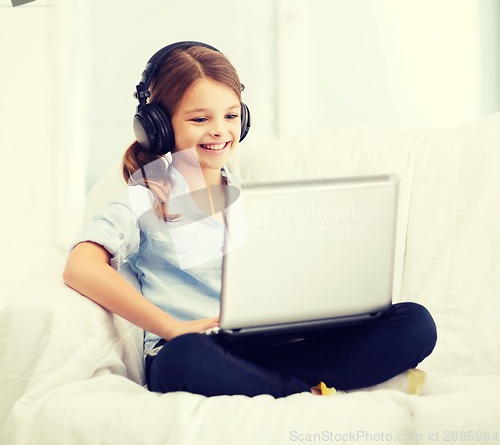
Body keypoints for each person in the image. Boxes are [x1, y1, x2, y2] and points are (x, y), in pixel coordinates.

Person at [63, 41, 437, 398]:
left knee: (415, 324)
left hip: (269, 343)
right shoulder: (144, 196)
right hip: (198, 348)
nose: (220, 130)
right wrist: (171, 328)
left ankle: (278, 383)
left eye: (230, 115)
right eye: (199, 118)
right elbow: (81, 266)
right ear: (157, 124)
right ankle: (303, 391)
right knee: (184, 360)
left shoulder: (250, 196)